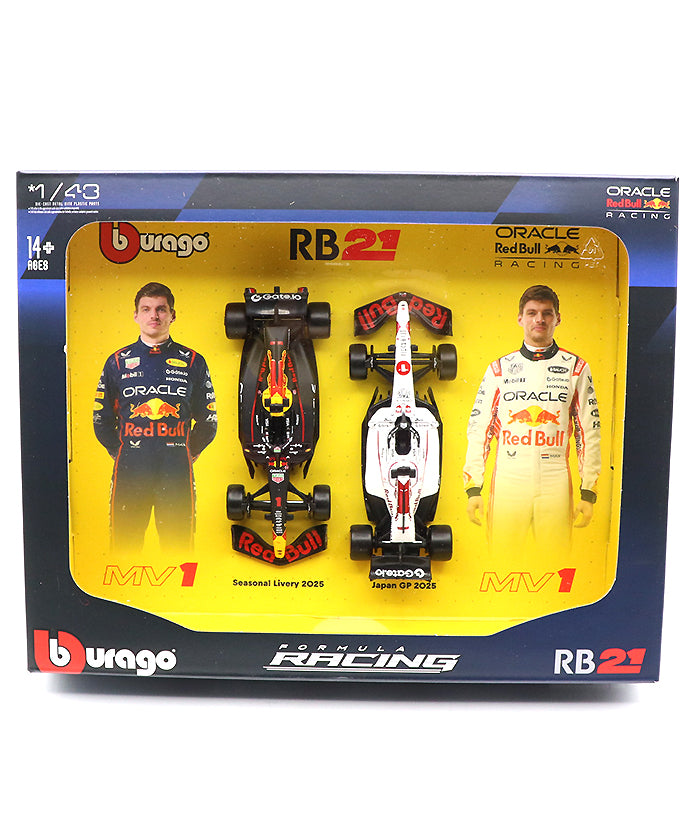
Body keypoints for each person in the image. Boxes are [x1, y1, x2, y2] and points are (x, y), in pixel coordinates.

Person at [463, 285, 601, 554]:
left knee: (555, 561)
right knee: (501, 560)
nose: (540, 319)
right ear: (520, 319)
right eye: (532, 313)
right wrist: (473, 488)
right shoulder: (499, 368)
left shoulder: (576, 367)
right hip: (509, 480)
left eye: (547, 313)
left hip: (555, 481)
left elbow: (588, 431)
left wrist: (588, 491)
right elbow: (479, 429)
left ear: (557, 319)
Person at [93, 282, 217, 554]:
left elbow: (208, 421)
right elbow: (101, 419)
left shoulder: (194, 361)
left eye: (161, 309)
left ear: (172, 315)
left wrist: (186, 452)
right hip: (130, 470)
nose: (154, 315)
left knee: (178, 550)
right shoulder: (117, 361)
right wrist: (122, 451)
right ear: (136, 315)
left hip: (176, 470)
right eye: (146, 309)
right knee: (124, 549)